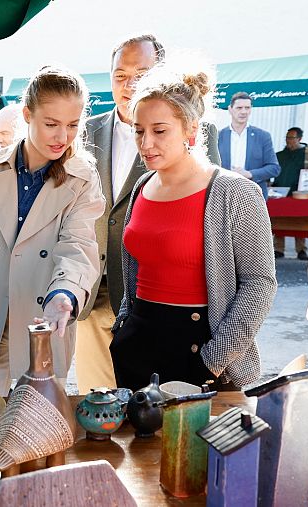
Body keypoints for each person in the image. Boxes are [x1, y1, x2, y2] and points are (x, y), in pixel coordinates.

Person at [111, 63, 276, 391]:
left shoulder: (234, 191)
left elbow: (260, 283)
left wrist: (215, 358)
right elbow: (137, 268)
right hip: (137, 344)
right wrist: (124, 328)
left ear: (191, 130)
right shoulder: (143, 185)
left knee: (195, 444)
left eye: (160, 131)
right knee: (136, 443)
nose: (146, 143)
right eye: (139, 130)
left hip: (201, 350)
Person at [76, 34, 222, 392]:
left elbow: (210, 217)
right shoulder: (86, 131)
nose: (129, 85)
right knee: (101, 410)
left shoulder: (199, 142)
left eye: (140, 75)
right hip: (95, 298)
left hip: (172, 310)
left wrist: (213, 357)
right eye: (120, 75)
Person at [0, 66, 104, 395]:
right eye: (52, 124)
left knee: (39, 433)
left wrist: (65, 293)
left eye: (73, 125)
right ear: (27, 114)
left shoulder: (83, 178)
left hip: (44, 327)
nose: (63, 137)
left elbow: (78, 246)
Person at [218, 92, 280, 198]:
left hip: (254, 195)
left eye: (247, 108)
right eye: (239, 108)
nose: (244, 112)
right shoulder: (218, 136)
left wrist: (250, 174)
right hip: (224, 195)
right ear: (230, 109)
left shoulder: (263, 136)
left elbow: (274, 168)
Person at [273, 127, 308, 259]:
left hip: (298, 192)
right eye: (287, 138)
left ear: (299, 139)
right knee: (279, 219)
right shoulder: (280, 155)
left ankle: (301, 249)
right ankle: (279, 248)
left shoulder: (306, 155)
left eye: (291, 138)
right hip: (280, 190)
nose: (288, 141)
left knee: (300, 219)